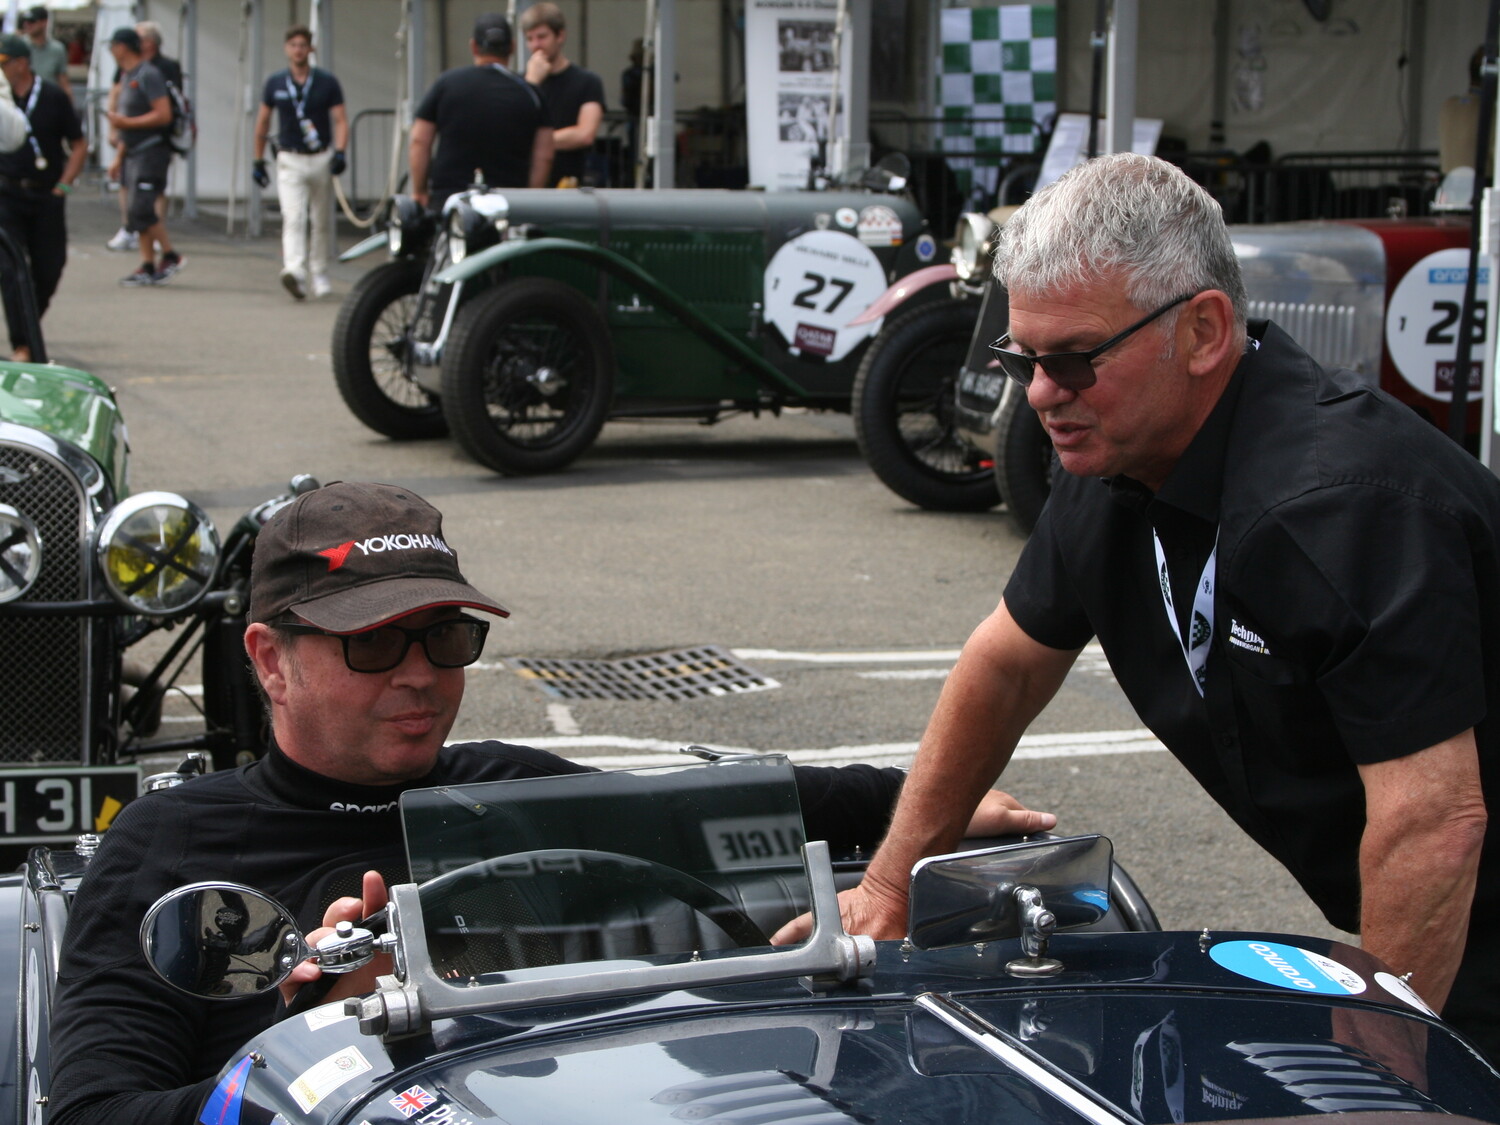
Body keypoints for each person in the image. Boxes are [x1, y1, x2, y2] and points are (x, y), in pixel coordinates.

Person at [781, 151, 1500, 1062]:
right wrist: (888, 888)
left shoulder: (1343, 504)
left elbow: (1434, 822)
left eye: (1074, 360)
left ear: (1202, 331)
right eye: (1021, 357)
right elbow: (1005, 666)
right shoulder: (1115, 460)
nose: (1041, 394)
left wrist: (1376, 1071)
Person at [46, 480, 1048, 1125]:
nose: (420, 673)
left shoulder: (509, 788)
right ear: (269, 659)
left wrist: (926, 807)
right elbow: (93, 1112)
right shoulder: (173, 845)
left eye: (446, 636)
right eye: (374, 642)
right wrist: (319, 1043)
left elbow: (732, 809)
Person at [409, 12, 552, 213]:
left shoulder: (446, 83)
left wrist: (419, 191)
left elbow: (419, 140)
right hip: (508, 203)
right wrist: (529, 198)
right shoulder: (531, 92)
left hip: (450, 201)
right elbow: (544, 155)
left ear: (474, 46)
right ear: (512, 47)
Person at [0, 33, 82, 360]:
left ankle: (28, 326)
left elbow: (79, 144)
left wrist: (64, 185)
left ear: (22, 63)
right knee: (10, 268)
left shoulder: (51, 96)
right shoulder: (3, 100)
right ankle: (23, 343)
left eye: (3, 62)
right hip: (7, 193)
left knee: (50, 267)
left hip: (45, 194)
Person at [252, 24, 347, 300]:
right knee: (293, 216)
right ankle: (294, 270)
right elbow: (263, 121)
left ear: (310, 49)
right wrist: (257, 159)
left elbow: (340, 119)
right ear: (286, 49)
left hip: (319, 157)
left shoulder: (327, 82)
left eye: (302, 45)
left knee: (320, 219)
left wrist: (340, 151)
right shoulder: (276, 83)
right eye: (293, 45)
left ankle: (319, 271)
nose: (298, 50)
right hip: (290, 157)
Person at [104, 26, 182, 286]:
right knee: (137, 212)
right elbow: (126, 124)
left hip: (152, 151)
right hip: (133, 152)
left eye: (113, 46)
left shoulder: (149, 74)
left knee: (142, 209)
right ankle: (147, 264)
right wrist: (119, 157)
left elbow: (163, 114)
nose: (111, 51)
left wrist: (126, 122)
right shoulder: (129, 76)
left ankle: (170, 255)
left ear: (123, 47)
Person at [520, 2, 604, 187]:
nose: (536, 45)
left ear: (560, 36)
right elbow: (512, 130)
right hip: (528, 184)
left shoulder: (587, 82)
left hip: (569, 184)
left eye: (542, 37)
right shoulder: (520, 83)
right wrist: (532, 83)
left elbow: (585, 134)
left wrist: (538, 143)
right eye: (530, 39)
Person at [18, 6, 68, 100]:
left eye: (32, 21)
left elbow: (63, 80)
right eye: (25, 21)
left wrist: (69, 103)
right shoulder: (19, 45)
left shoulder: (57, 49)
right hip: (25, 98)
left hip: (49, 99)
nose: (27, 24)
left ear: (44, 22)